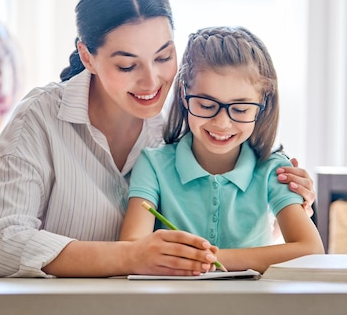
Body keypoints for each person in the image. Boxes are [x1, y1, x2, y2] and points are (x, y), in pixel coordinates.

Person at [0, 0, 316, 278]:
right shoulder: (40, 119)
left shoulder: (191, 115)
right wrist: (128, 257)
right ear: (87, 57)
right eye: (128, 66)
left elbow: (239, 215)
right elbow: (1, 243)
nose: (152, 81)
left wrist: (288, 197)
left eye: (164, 57)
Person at [119, 26, 324, 274]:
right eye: (206, 105)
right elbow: (129, 249)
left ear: (262, 105)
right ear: (184, 95)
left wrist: (210, 258)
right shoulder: (153, 164)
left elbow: (310, 250)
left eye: (240, 110)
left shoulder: (274, 169)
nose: (222, 123)